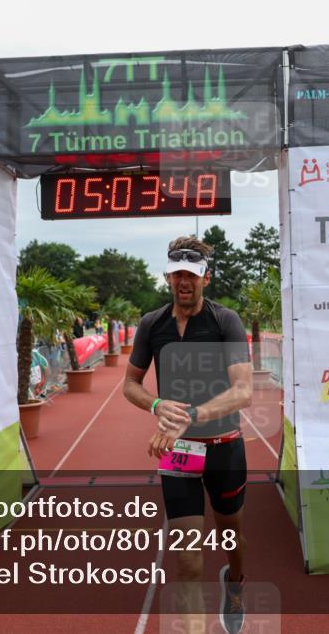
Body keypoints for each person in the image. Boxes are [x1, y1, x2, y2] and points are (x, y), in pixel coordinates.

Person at [122, 236, 253, 634]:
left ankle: (235, 583)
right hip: (179, 452)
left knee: (231, 534)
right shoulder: (152, 324)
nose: (184, 281)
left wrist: (191, 415)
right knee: (187, 558)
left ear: (205, 279)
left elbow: (243, 391)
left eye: (192, 275)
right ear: (167, 278)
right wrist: (158, 406)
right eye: (177, 274)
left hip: (224, 448)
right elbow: (130, 384)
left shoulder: (224, 320)